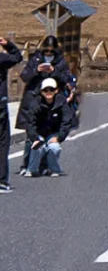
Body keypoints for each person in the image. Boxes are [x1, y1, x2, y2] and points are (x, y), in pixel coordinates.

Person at [17, 36, 73, 175]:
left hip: (52, 100)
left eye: (51, 51)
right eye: (46, 50)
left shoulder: (61, 62)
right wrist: (37, 70)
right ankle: (26, 164)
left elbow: (67, 79)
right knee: (31, 132)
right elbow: (24, 76)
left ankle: (46, 165)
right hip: (33, 98)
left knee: (49, 131)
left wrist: (54, 71)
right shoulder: (35, 59)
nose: (48, 53)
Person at [25, 77, 74, 177]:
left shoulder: (61, 102)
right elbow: (30, 122)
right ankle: (32, 169)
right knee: (38, 146)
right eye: (45, 90)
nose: (48, 92)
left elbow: (66, 121)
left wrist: (59, 137)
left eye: (51, 89)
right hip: (39, 132)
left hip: (53, 133)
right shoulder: (35, 103)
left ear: (56, 90)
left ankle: (54, 169)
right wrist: (34, 137)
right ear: (41, 91)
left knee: (54, 147)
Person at [0, 33, 24, 193]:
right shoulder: (1, 59)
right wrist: (8, 44)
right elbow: (17, 57)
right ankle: (1, 180)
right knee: (2, 141)